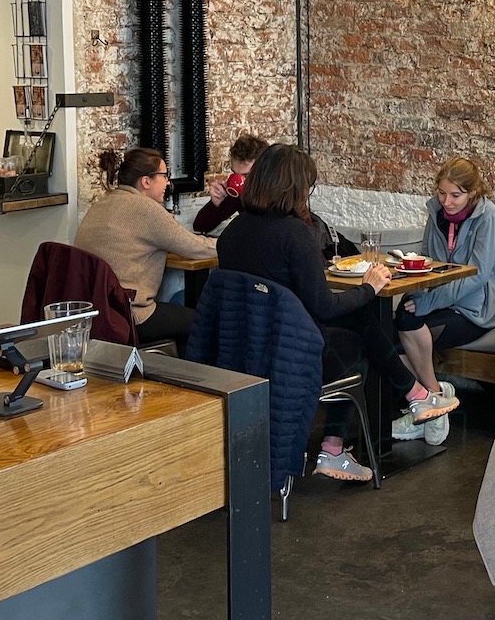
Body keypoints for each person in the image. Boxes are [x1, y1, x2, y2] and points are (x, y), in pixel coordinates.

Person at [216, 143, 453, 481]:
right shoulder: (295, 234)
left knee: (359, 321)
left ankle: (414, 396)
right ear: (295, 187)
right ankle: (337, 446)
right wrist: (369, 287)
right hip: (292, 353)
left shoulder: (233, 232)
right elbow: (324, 305)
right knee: (359, 341)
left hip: (245, 348)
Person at [390, 157, 495, 446]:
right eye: (442, 193)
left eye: (456, 195)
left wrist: (429, 303)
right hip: (444, 300)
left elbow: (476, 277)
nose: (447, 201)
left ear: (473, 193)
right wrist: (419, 291)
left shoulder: (489, 218)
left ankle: (432, 402)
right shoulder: (436, 212)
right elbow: (429, 261)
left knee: (405, 323)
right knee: (391, 331)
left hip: (475, 308)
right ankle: (428, 402)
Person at [73, 148, 216, 355]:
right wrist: (230, 244)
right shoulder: (145, 209)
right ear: (146, 182)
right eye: (164, 176)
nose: (168, 182)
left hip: (96, 311)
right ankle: (191, 383)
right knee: (202, 323)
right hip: (131, 314)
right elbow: (195, 247)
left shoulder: (102, 203)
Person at [192, 133, 268, 234]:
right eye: (235, 173)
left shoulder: (281, 194)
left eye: (246, 175)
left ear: (265, 171)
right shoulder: (238, 195)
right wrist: (215, 204)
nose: (240, 180)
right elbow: (200, 226)